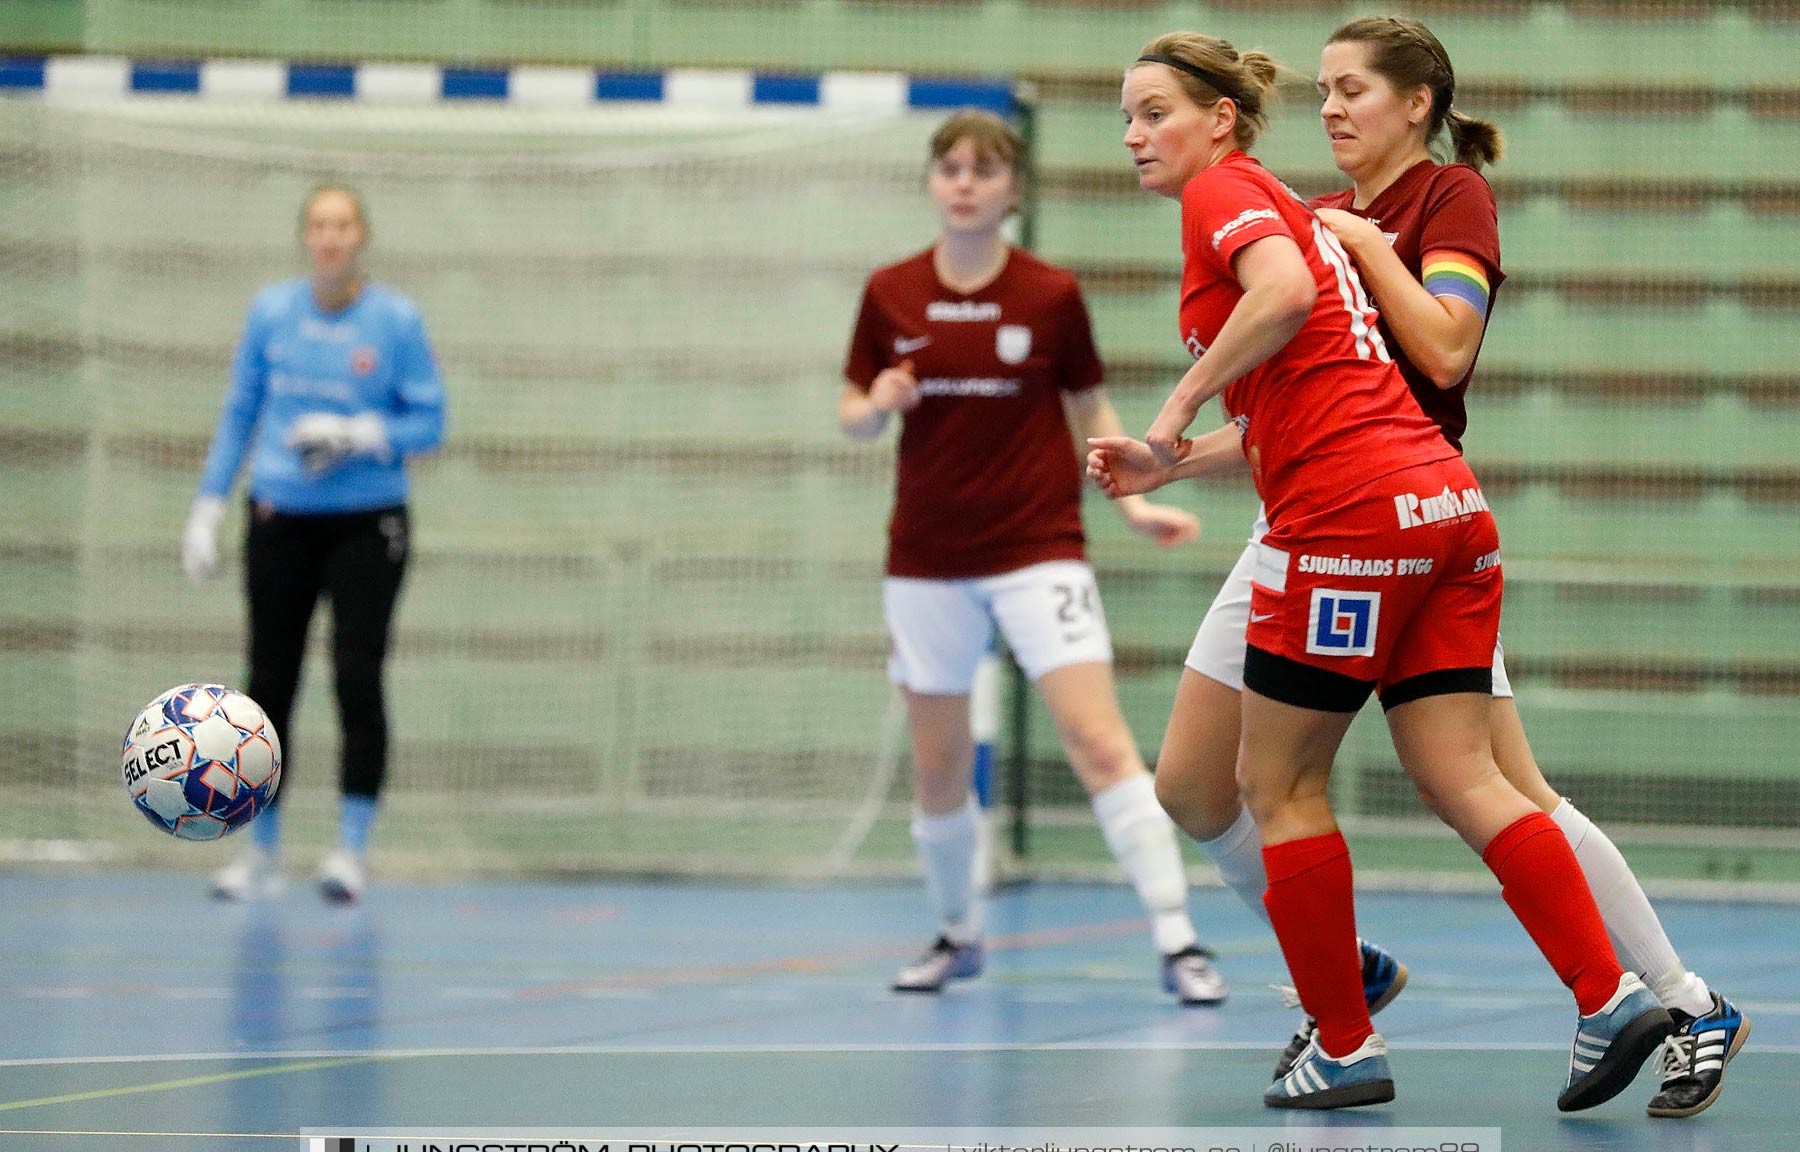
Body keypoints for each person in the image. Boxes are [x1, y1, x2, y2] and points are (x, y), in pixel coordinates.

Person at [1095, 16, 1746, 1119]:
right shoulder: (1308, 213)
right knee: (1197, 786)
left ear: (1419, 102)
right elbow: (1304, 397)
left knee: (1426, 783)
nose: (1334, 108)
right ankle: (1365, 974)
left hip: (1363, 523)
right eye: (1326, 92)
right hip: (1367, 512)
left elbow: (1442, 350)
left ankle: (1677, 1001)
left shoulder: (1439, 205)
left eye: (1355, 89)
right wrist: (1175, 459)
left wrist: (1192, 390)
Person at [840, 110, 1225, 1004]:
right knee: (937, 765)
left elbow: (1090, 406)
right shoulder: (888, 292)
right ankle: (954, 931)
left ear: (1013, 189)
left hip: (1038, 548)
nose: (966, 182)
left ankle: (1177, 939)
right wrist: (877, 404)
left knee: (1096, 738)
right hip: (926, 560)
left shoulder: (1049, 293)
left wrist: (1136, 506)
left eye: (985, 168)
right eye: (951, 168)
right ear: (934, 184)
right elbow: (852, 413)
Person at [182, 184, 447, 904]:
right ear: (305, 237)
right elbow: (240, 410)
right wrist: (209, 506)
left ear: (362, 236)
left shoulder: (395, 320)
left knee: (357, 677)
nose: (330, 238)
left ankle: (351, 851)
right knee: (268, 685)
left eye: (343, 224)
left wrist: (363, 433)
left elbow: (430, 423)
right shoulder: (272, 311)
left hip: (368, 522)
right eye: (318, 225)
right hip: (281, 519)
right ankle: (260, 851)